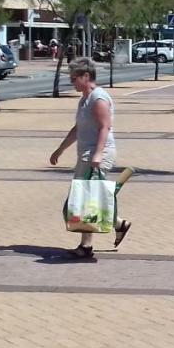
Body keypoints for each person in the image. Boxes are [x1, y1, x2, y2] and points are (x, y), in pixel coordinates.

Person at [49, 58, 130, 259]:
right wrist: (60, 150)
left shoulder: (98, 98)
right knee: (89, 199)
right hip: (87, 154)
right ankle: (119, 224)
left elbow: (105, 127)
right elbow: (78, 128)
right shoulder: (85, 99)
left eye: (74, 78)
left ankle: (86, 246)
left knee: (83, 200)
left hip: (97, 154)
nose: (72, 82)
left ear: (86, 76)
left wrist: (98, 153)